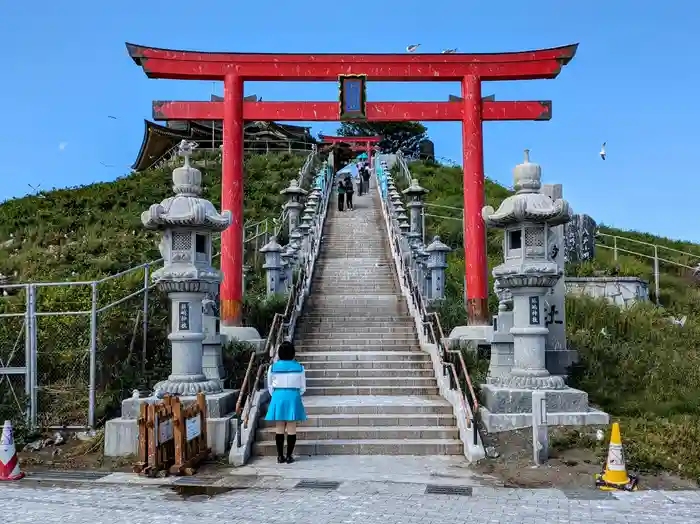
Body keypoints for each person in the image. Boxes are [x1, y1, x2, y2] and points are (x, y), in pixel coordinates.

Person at [265, 340, 307, 464]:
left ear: (280, 353)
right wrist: (293, 394)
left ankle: (279, 456)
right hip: (293, 396)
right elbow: (303, 388)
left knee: (279, 427)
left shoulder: (272, 367)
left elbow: (270, 386)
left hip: (278, 396)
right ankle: (289, 456)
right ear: (293, 353)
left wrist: (277, 394)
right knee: (291, 427)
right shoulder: (300, 367)